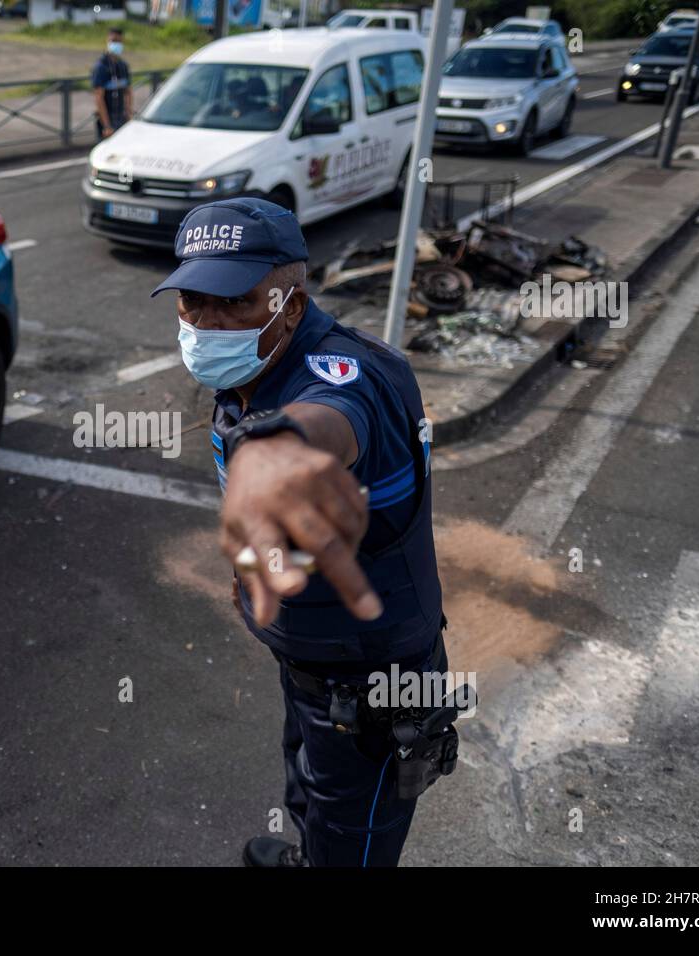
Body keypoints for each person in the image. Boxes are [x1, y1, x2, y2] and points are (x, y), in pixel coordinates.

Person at [152, 198, 455, 867]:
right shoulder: (258, 362)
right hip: (313, 662)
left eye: (235, 301)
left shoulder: (347, 373)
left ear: (292, 304)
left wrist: (282, 448)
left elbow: (331, 419)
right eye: (192, 301)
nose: (207, 322)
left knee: (354, 843)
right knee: (311, 793)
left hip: (373, 682)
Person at [91, 27, 132, 139]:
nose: (117, 44)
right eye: (114, 41)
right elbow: (99, 97)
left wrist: (129, 114)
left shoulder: (123, 66)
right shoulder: (101, 67)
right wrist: (107, 125)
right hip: (108, 120)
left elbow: (128, 92)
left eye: (119, 41)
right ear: (107, 41)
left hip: (121, 119)